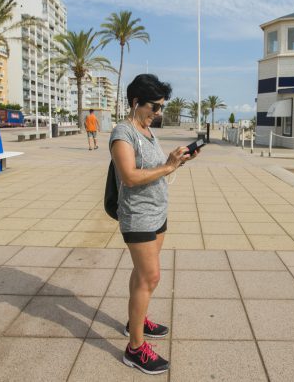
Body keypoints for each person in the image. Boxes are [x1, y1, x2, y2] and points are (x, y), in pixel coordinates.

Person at [110, 74, 197, 375]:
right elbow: (130, 176)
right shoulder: (123, 133)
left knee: (142, 274)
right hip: (138, 216)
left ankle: (137, 320)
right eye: (155, 107)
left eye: (161, 107)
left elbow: (156, 167)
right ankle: (135, 349)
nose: (158, 113)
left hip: (157, 213)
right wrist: (168, 166)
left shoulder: (146, 130)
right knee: (151, 276)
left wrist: (178, 161)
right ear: (136, 102)